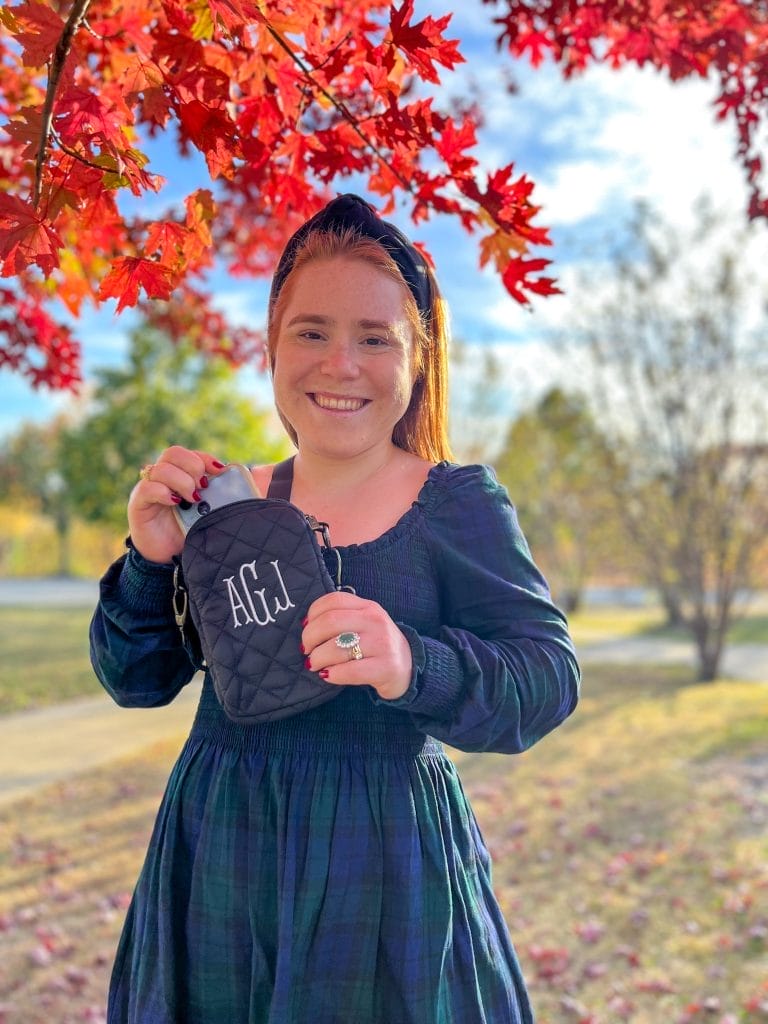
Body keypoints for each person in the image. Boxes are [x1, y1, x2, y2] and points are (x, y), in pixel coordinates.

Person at [90, 193, 580, 1024]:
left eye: (374, 338)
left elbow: (547, 678)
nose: (339, 363)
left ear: (417, 362)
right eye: (310, 332)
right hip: (224, 849)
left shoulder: (456, 504)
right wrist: (149, 559)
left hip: (386, 862)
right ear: (272, 348)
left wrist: (411, 663)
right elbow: (135, 680)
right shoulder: (225, 505)